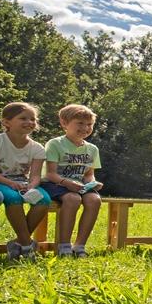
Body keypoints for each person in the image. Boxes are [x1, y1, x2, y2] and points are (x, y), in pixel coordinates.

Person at [0, 102, 51, 259]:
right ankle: (27, 246)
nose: (30, 122)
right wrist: (10, 183)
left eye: (33, 119)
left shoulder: (37, 148)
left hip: (22, 183)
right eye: (23, 118)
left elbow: (35, 175)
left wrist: (32, 186)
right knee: (13, 198)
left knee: (44, 200)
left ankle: (17, 242)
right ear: (6, 122)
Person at [41, 104, 103, 257]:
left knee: (94, 200)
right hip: (55, 183)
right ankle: (64, 246)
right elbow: (50, 174)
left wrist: (92, 183)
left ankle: (79, 246)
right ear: (64, 123)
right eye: (80, 123)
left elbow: (88, 173)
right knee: (72, 198)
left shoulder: (92, 149)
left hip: (78, 185)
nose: (85, 128)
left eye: (89, 124)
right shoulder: (55, 144)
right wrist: (68, 184)